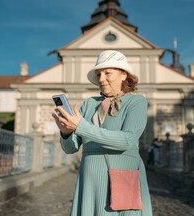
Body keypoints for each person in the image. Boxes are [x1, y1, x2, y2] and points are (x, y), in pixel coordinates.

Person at [52, 50, 153, 216]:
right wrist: (66, 133)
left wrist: (81, 126)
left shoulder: (136, 102)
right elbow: (70, 149)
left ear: (123, 75)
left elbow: (127, 140)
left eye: (108, 73)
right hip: (90, 179)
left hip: (123, 176)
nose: (101, 79)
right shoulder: (89, 104)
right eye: (98, 74)